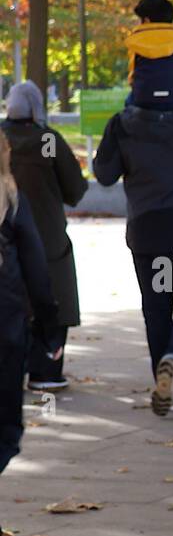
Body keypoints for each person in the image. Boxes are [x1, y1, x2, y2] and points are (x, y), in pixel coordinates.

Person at [92, 71, 173, 416]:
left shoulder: (121, 124)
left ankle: (172, 388)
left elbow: (104, 174)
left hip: (147, 231)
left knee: (156, 310)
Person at [1, 82, 86, 391]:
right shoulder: (48, 139)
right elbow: (74, 189)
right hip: (46, 235)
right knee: (54, 296)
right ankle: (46, 369)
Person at [0, 129, 57, 536]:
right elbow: (36, 265)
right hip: (5, 327)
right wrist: (50, 323)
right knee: (5, 430)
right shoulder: (11, 201)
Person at [124, 0, 173, 109]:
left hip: (142, 100)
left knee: (125, 110)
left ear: (146, 20)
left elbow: (132, 77)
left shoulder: (136, 44)